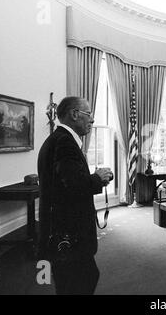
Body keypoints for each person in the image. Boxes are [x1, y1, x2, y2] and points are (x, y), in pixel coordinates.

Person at [37, 96, 113, 295]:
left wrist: (93, 178)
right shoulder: (65, 143)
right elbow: (74, 186)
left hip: (59, 230)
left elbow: (65, 182)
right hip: (69, 232)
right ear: (74, 114)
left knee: (74, 282)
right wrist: (98, 178)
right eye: (89, 114)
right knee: (81, 281)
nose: (92, 120)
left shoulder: (56, 140)